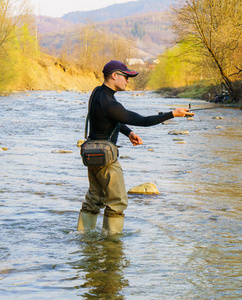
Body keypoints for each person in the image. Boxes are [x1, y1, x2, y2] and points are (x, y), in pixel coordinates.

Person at [77, 60, 193, 234]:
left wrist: (128, 132)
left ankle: (83, 236)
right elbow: (144, 121)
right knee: (117, 202)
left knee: (94, 199)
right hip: (106, 161)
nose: (128, 81)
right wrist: (172, 114)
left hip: (91, 156)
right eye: (126, 76)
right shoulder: (111, 104)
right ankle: (112, 244)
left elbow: (108, 119)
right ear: (114, 75)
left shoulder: (97, 93)